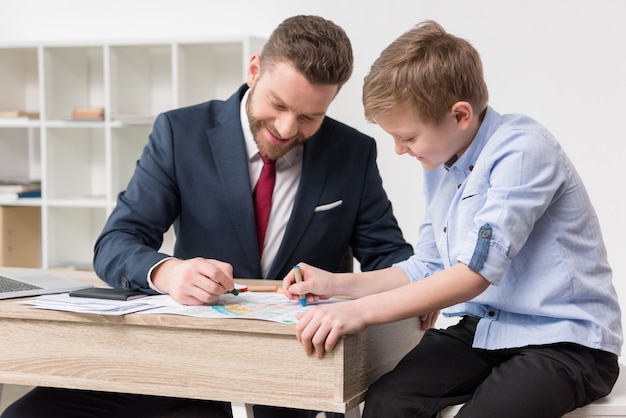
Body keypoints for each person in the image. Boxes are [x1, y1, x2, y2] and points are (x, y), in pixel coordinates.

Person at [0, 15, 413, 418]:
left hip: (286, 374)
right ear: (254, 70)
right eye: (278, 104)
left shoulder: (352, 154)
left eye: (309, 117)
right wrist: (168, 272)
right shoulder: (181, 134)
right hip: (177, 360)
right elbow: (115, 242)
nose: (287, 128)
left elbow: (391, 259)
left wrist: (417, 293)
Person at [284, 20, 623, 418]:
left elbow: (473, 274)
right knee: (387, 401)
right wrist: (337, 285)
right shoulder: (440, 167)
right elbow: (427, 266)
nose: (398, 150)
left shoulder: (524, 151)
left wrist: (358, 312)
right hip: (485, 332)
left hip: (567, 342)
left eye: (408, 138)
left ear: (460, 114)